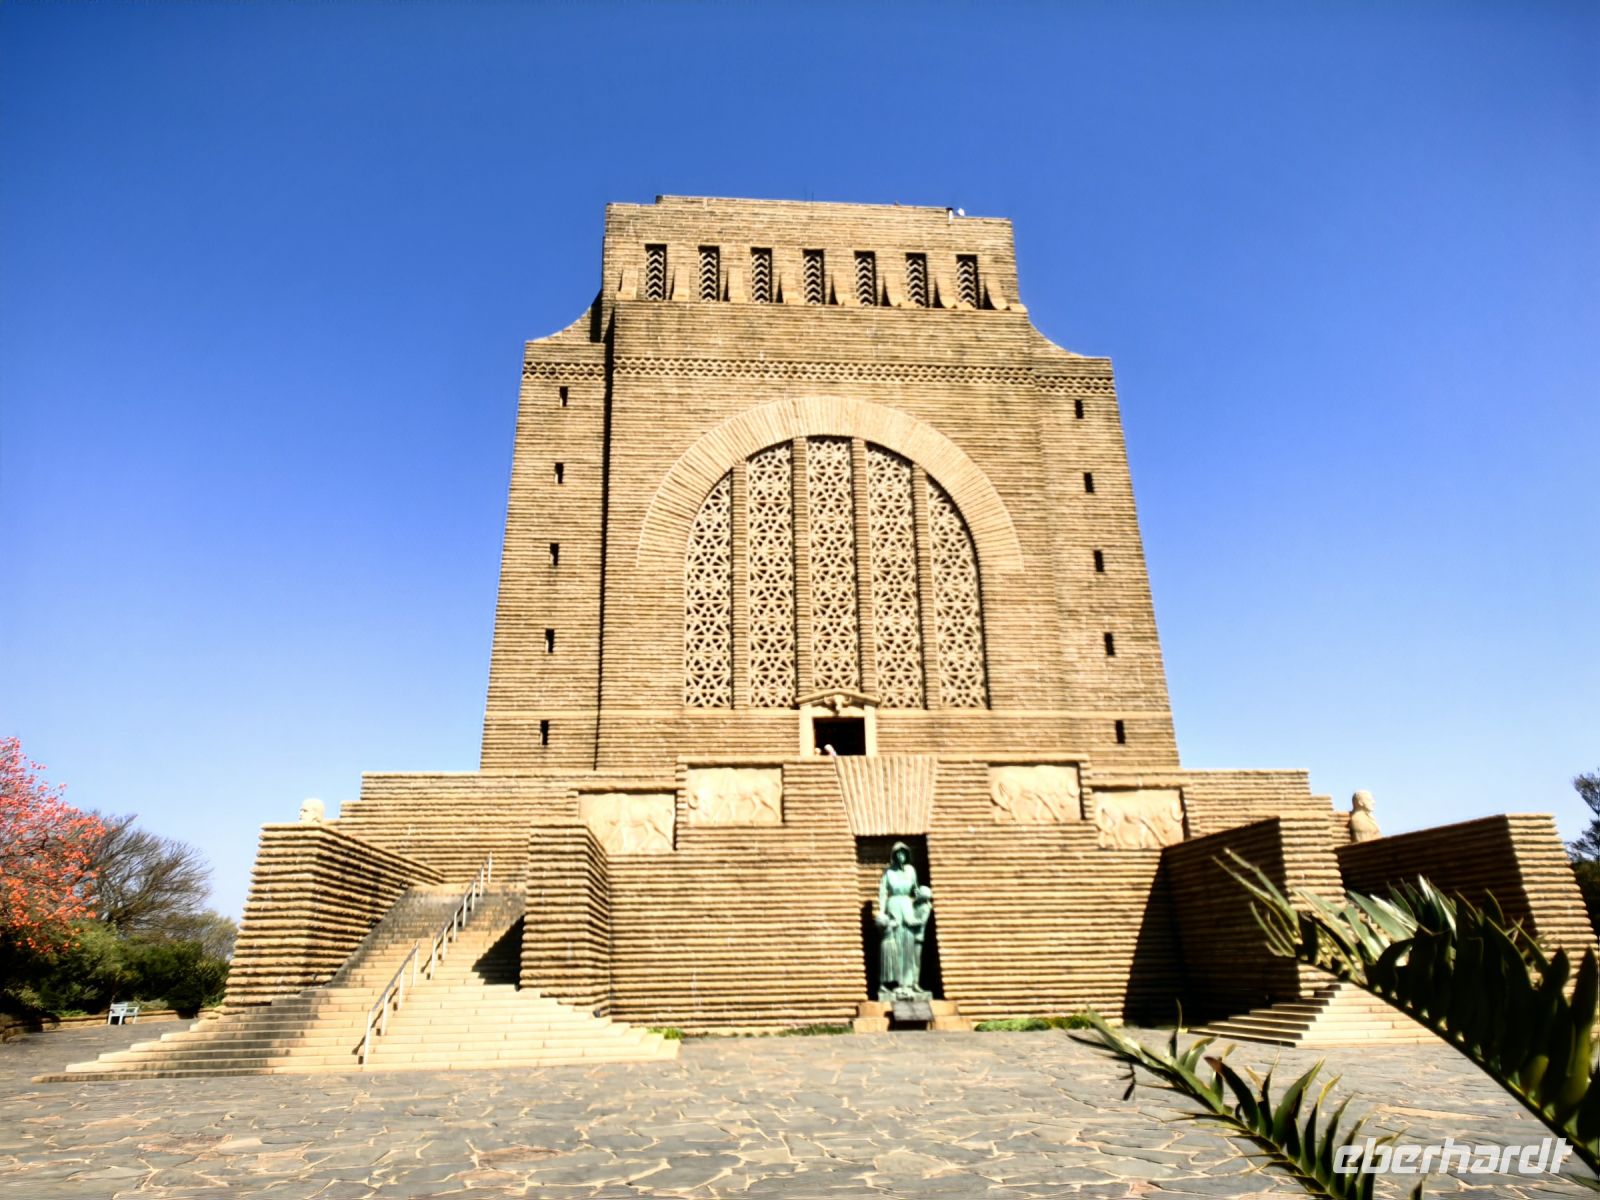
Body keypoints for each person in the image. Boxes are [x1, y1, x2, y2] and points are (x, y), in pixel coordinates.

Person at [876, 842, 932, 1000]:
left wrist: (923, 899)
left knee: (908, 945)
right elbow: (883, 892)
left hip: (907, 906)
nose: (901, 856)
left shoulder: (911, 871)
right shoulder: (888, 873)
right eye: (898, 854)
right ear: (894, 856)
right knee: (894, 945)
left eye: (903, 854)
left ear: (906, 855)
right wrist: (881, 912)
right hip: (893, 905)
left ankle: (908, 983)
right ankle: (896, 983)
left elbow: (915, 890)